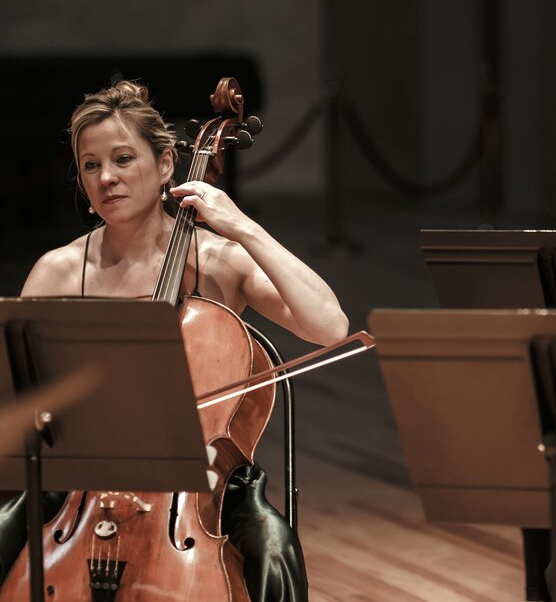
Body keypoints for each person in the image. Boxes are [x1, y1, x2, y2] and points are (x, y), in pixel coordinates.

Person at [0, 81, 349, 601]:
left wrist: (243, 228)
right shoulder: (59, 271)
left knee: (276, 550)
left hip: (202, 491)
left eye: (122, 158)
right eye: (90, 165)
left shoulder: (217, 260)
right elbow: (18, 407)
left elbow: (330, 327)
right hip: (81, 486)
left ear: (166, 164)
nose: (107, 177)